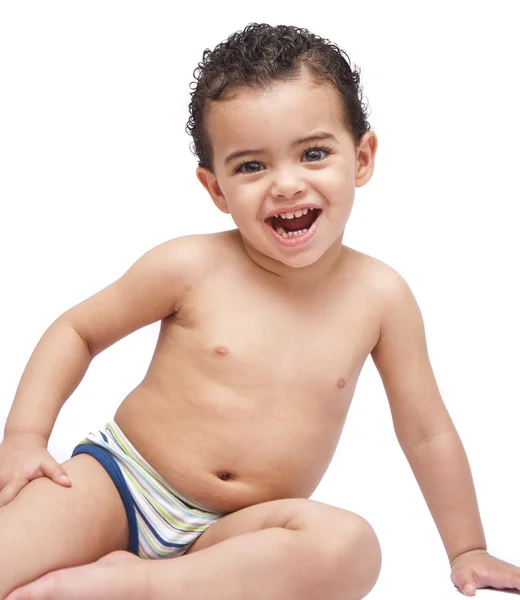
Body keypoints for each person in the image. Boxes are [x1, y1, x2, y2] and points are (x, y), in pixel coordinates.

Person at [0, 22, 518, 600]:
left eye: (314, 153)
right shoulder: (189, 265)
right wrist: (24, 436)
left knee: (350, 546)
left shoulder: (381, 296)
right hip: (119, 482)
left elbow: (426, 431)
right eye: (251, 166)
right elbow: (78, 330)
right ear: (216, 187)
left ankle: (145, 586)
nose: (287, 184)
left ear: (363, 158)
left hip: (235, 536)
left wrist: (467, 548)